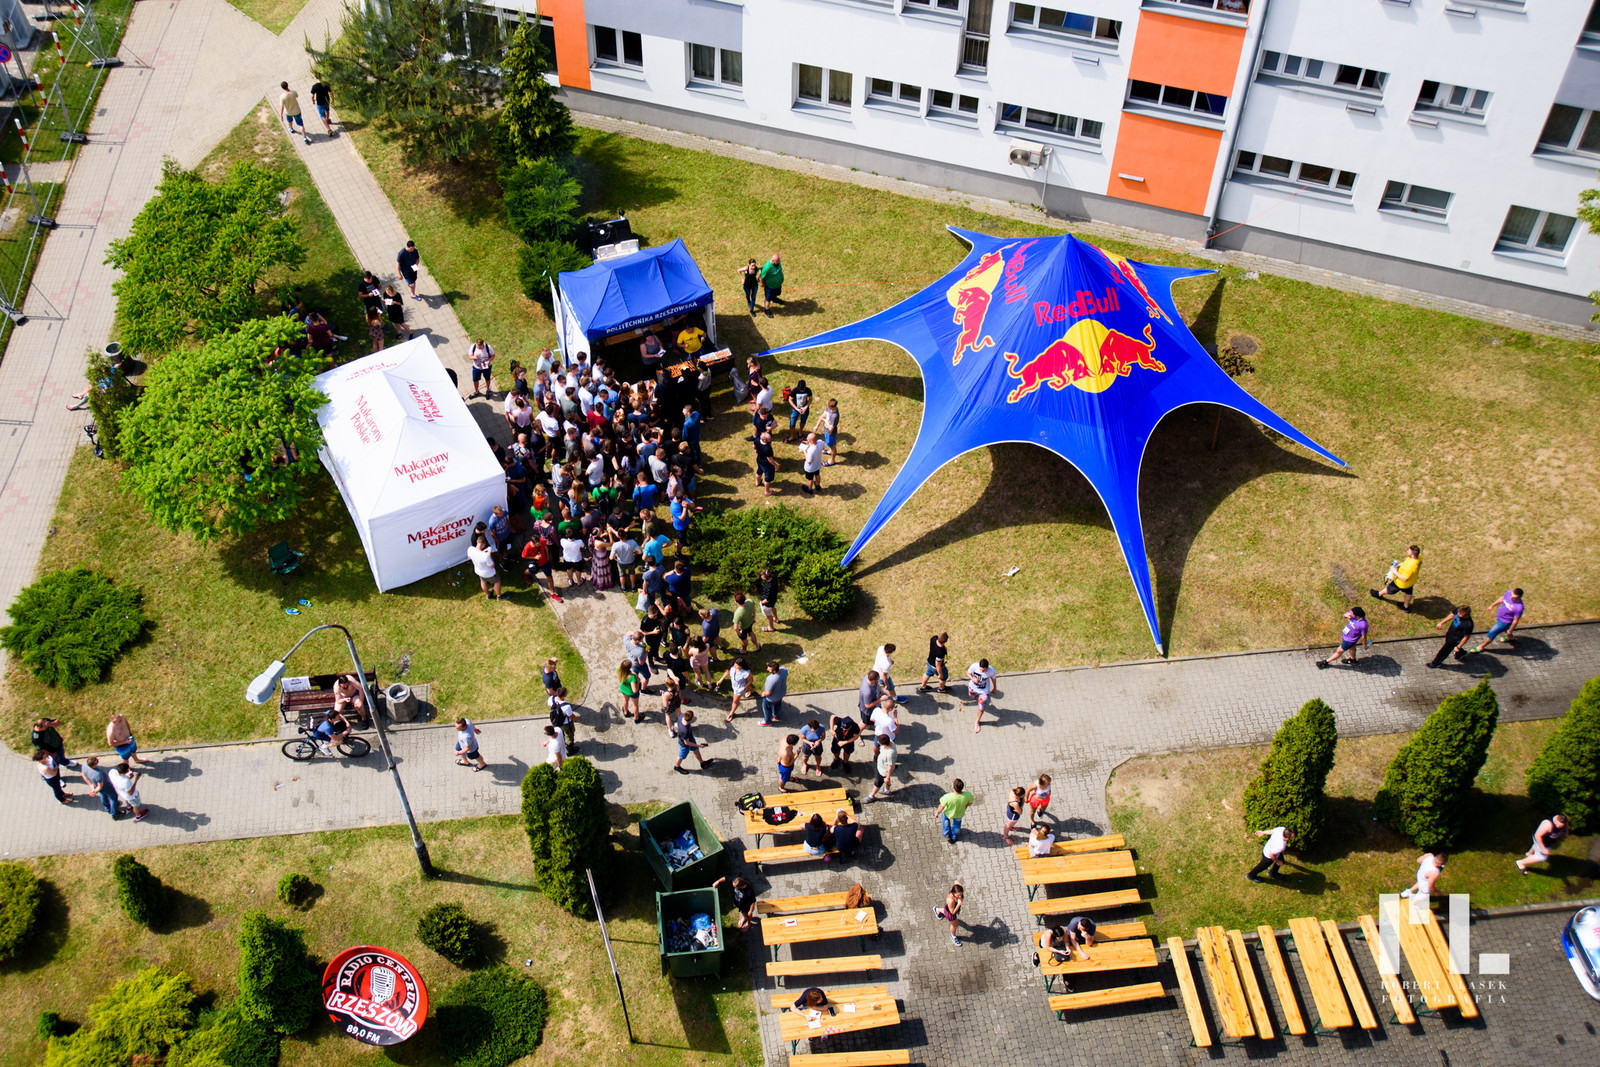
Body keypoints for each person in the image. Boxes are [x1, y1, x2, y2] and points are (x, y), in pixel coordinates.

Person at [1465, 588, 1525, 655]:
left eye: (1514, 598)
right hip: (1499, 617)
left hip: (1504, 622)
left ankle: (1481, 647)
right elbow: (1502, 598)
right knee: (1505, 630)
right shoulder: (1509, 592)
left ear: (1519, 597)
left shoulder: (1519, 607)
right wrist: (1492, 605)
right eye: (1511, 595)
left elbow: (1515, 620)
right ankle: (1510, 637)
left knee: (1492, 633)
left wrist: (1510, 630)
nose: (1511, 598)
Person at [1370, 544, 1422, 612]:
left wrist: (1394, 571)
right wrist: (1399, 565)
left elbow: (1404, 579)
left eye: (1409, 551)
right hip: (1411, 582)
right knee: (1409, 593)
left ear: (1412, 554)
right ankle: (1405, 607)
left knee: (1389, 589)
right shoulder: (1419, 557)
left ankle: (1378, 594)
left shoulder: (1410, 566)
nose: (1407, 551)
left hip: (1401, 583)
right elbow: (1407, 562)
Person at [521, 535, 562, 602]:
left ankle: (552, 593)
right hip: (535, 564)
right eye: (538, 544)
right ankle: (525, 573)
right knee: (532, 571)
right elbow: (523, 556)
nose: (540, 544)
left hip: (544, 562)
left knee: (549, 576)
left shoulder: (543, 541)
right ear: (533, 543)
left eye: (540, 542)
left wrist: (547, 559)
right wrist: (534, 557)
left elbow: (546, 548)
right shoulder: (528, 547)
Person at [673, 708, 713, 774]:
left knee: (696, 749)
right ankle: (677, 767)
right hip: (684, 745)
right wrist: (699, 745)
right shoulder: (685, 730)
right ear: (691, 720)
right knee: (681, 756)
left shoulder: (681, 716)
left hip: (690, 739)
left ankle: (702, 763)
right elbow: (687, 743)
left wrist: (696, 746)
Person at [937, 777, 975, 844]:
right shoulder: (967, 795)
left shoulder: (948, 797)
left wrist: (937, 812)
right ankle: (954, 836)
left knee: (945, 821)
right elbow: (970, 802)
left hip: (948, 813)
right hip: (959, 813)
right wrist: (965, 806)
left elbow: (941, 806)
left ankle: (947, 834)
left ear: (953, 787)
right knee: (957, 824)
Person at [718, 656, 753, 723]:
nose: (735, 666)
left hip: (739, 689)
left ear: (741, 666)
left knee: (735, 701)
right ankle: (751, 691)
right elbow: (727, 672)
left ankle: (731, 713)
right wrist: (721, 680)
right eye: (734, 664)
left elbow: (751, 680)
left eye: (737, 665)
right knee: (748, 688)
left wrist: (744, 687)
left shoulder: (746, 672)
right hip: (734, 685)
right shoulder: (732, 668)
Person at [468, 533, 503, 601]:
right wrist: (489, 554)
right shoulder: (485, 556)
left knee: (483, 581)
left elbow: (469, 557)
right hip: (489, 573)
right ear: (484, 544)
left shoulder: (470, 549)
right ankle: (499, 596)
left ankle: (488, 594)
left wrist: (483, 552)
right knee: (497, 581)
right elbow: (492, 565)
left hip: (479, 571)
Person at [862, 734, 896, 802]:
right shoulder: (891, 742)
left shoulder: (890, 754)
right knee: (885, 781)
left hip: (884, 771)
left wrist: (887, 777)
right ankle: (887, 790)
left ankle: (871, 796)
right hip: (882, 767)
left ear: (883, 744)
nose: (878, 742)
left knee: (878, 783)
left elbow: (890, 766)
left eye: (879, 742)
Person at [761, 660, 789, 725]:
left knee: (767, 709)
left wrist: (763, 694)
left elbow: (768, 692)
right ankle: (776, 715)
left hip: (771, 698)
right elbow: (784, 669)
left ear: (774, 671)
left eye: (769, 669)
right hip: (781, 694)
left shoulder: (771, 679)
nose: (767, 669)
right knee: (778, 704)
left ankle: (768, 721)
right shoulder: (784, 671)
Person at [819, 398, 841, 466]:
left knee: (832, 446)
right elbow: (823, 415)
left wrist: (825, 421)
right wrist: (817, 425)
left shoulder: (835, 416)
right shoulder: (828, 408)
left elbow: (831, 428)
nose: (827, 408)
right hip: (826, 431)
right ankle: (830, 451)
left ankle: (832, 460)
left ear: (833, 407)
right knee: (831, 444)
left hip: (830, 433)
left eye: (829, 407)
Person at [760, 568, 779, 632]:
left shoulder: (769, 587)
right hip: (773, 599)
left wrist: (762, 603)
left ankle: (771, 628)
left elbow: (767, 599)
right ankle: (776, 618)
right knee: (773, 607)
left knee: (769, 616)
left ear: (767, 578)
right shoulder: (773, 577)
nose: (761, 576)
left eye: (762, 576)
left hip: (767, 603)